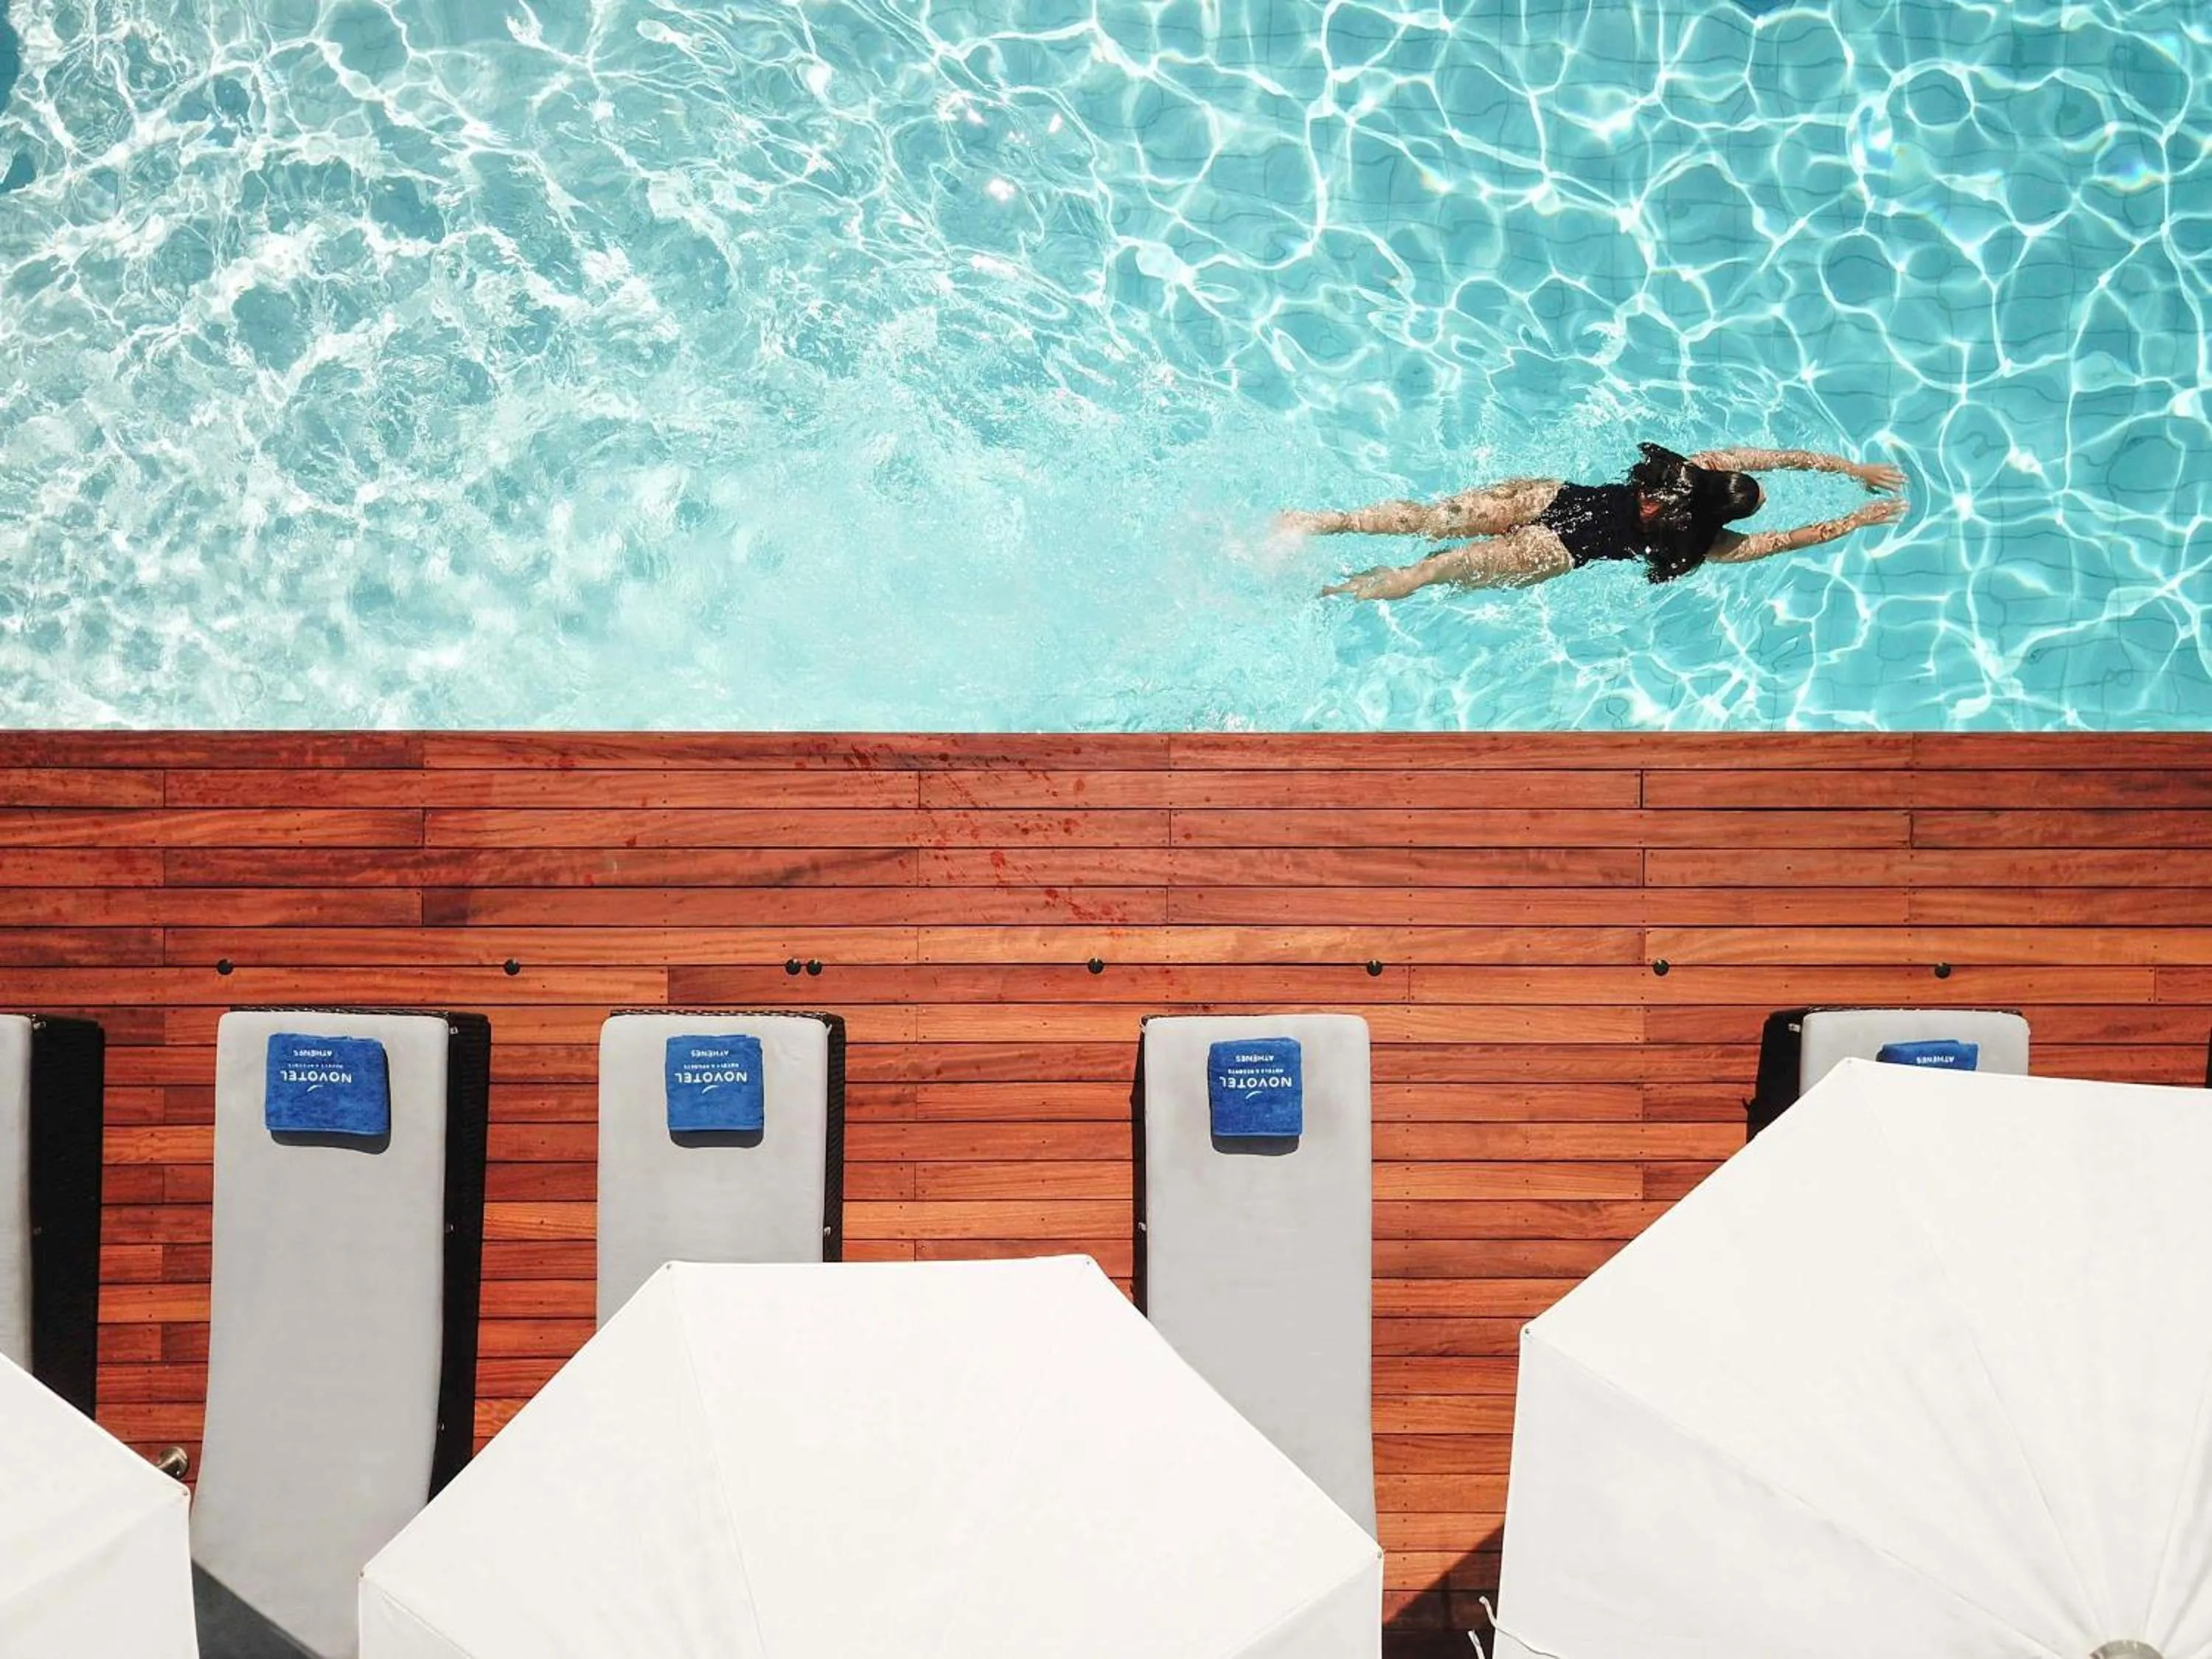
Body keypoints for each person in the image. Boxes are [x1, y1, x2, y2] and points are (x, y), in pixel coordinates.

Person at [1286, 444, 1907, 599]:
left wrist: (1848, 466)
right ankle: (1332, 591)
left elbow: (1778, 458)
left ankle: (1314, 523)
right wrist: (1856, 521)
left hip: (1550, 499)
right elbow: (1794, 538)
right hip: (1555, 551)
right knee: (1432, 573)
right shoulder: (1712, 541)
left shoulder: (1697, 465)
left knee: (1427, 523)